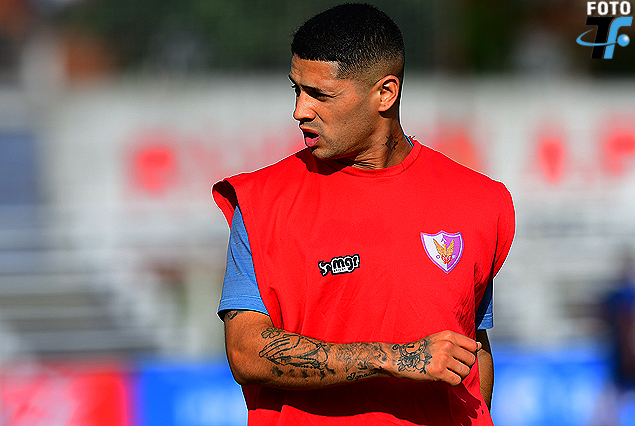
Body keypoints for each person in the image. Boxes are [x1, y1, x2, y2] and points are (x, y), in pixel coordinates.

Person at [212, 3, 515, 425]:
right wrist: (395, 358)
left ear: (385, 94)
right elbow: (246, 352)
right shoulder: (262, 201)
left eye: (320, 95)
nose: (300, 110)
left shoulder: (479, 201)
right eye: (297, 90)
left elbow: (473, 348)